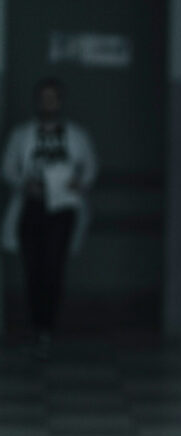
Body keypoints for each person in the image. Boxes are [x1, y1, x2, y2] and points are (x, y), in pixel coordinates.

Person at [2, 77, 97, 353]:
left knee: (53, 266)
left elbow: (90, 167)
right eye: (44, 97)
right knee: (33, 268)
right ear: (37, 100)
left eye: (53, 97)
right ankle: (37, 325)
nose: (48, 102)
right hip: (31, 207)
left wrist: (79, 183)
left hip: (62, 209)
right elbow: (8, 167)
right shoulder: (22, 135)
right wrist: (24, 183)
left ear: (60, 100)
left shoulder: (76, 135)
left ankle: (48, 326)